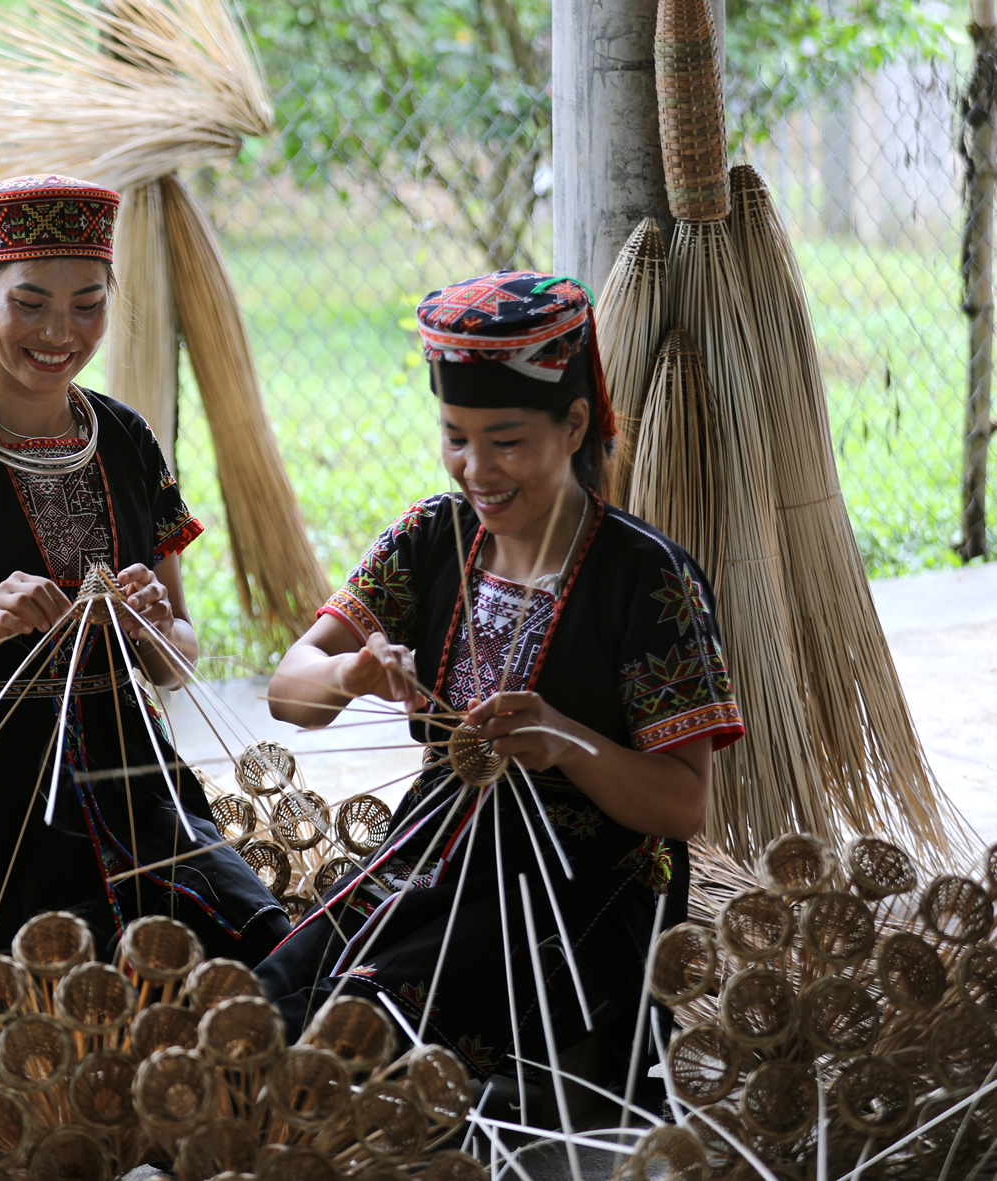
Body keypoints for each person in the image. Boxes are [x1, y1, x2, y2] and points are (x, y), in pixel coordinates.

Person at [255, 271, 744, 1089]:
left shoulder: (647, 579)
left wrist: (567, 741)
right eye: (455, 437)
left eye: (506, 440)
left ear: (574, 422)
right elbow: (289, 688)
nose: (475, 468)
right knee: (257, 1006)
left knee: (363, 1034)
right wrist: (354, 669)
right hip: (430, 855)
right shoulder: (430, 539)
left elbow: (683, 803)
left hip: (576, 895)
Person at [0, 174, 289, 968]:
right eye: (30, 302)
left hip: (131, 776)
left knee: (255, 957)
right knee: (62, 1010)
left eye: (88, 304)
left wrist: (153, 625)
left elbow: (175, 656)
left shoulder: (126, 439)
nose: (60, 331)